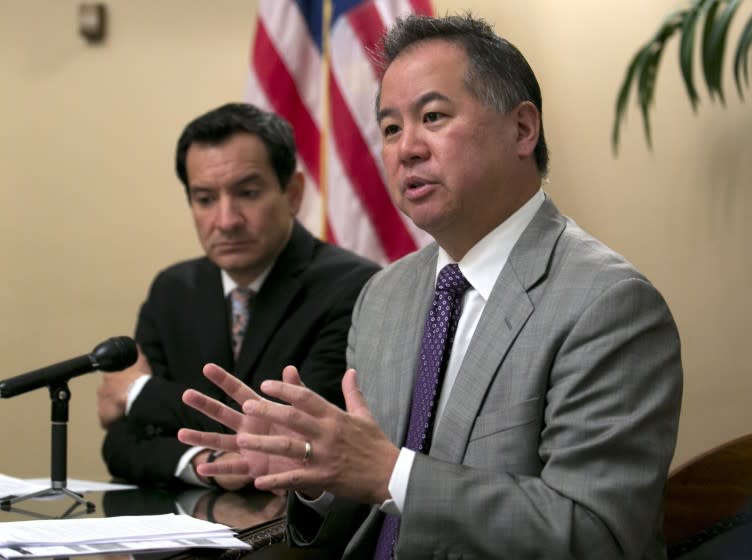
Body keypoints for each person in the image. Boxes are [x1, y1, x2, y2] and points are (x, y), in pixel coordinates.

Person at [177, 14, 683, 559]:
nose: (405, 149)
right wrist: (316, 477)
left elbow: (596, 536)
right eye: (390, 128)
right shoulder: (384, 296)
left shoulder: (607, 304)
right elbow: (370, 502)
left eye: (433, 117)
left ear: (522, 129)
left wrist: (391, 472)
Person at [97, 103, 379, 489]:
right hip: (193, 524)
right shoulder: (173, 290)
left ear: (293, 193)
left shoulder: (355, 287)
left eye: (247, 193)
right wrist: (206, 463)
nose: (226, 220)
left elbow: (291, 435)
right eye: (205, 199)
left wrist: (139, 392)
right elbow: (121, 443)